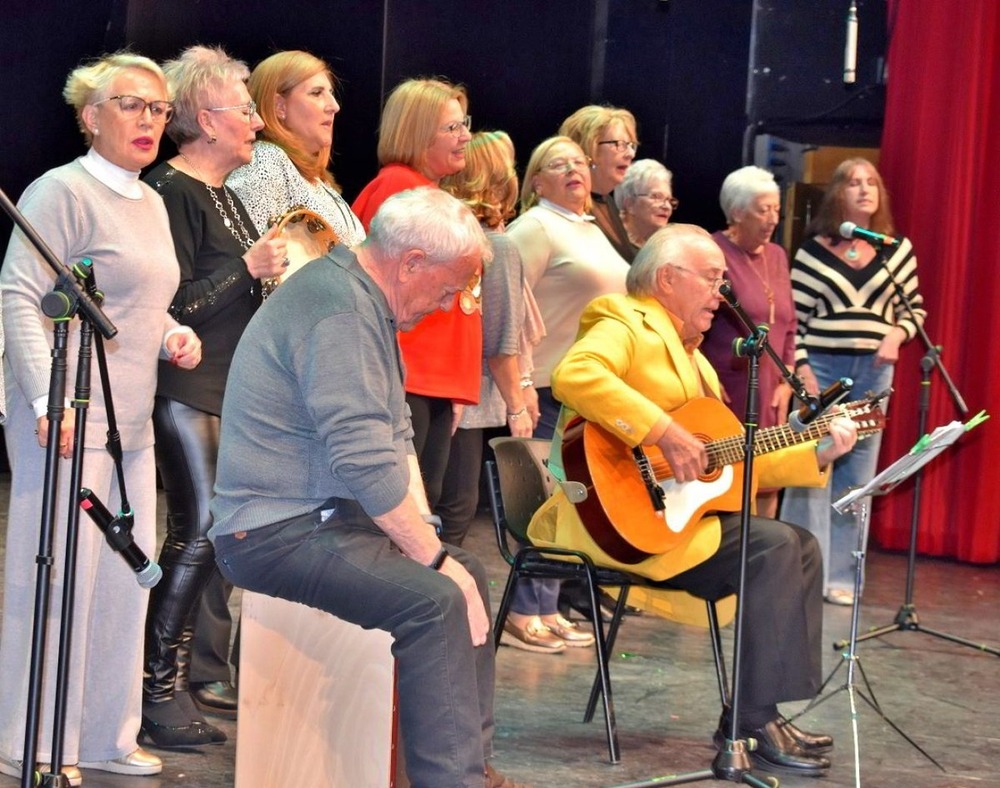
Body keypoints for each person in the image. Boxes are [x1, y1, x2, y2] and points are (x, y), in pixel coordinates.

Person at [209, 187, 525, 788]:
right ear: (410, 263)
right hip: (273, 531)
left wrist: (430, 547)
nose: (450, 302)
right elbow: (361, 456)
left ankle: (472, 768)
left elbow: (396, 440)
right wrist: (428, 559)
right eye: (447, 287)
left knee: (466, 576)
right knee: (433, 602)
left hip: (324, 520)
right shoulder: (338, 308)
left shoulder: (363, 303)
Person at [528, 224, 859, 776]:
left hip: (673, 522)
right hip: (608, 521)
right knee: (773, 544)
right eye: (711, 279)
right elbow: (575, 375)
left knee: (798, 544)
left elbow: (730, 458)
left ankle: (761, 711)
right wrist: (660, 430)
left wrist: (817, 452)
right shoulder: (621, 319)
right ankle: (751, 720)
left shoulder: (698, 359)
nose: (722, 294)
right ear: (666, 278)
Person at [0, 52, 203, 783]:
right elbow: (19, 294)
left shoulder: (149, 201)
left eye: (157, 109)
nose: (149, 120)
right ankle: (33, 738)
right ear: (89, 116)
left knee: (123, 579)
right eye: (130, 105)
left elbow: (134, 298)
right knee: (59, 581)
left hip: (132, 424)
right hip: (68, 419)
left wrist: (171, 329)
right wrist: (46, 400)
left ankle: (104, 737)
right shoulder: (61, 190)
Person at [140, 45, 288, 746]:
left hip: (229, 390)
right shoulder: (174, 192)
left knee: (212, 537)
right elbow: (167, 308)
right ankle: (156, 691)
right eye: (247, 108)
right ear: (206, 118)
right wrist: (248, 272)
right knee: (196, 533)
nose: (257, 122)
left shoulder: (227, 196)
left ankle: (173, 689)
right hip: (187, 388)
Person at [502, 136, 629, 653]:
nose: (574, 170)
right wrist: (522, 380)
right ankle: (519, 611)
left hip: (587, 389)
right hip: (549, 383)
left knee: (569, 501)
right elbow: (509, 302)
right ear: (536, 181)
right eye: (559, 164)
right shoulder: (535, 226)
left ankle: (547, 605)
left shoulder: (590, 226)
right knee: (544, 499)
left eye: (580, 162)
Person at [780, 158, 924, 606]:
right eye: (853, 183)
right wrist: (802, 370)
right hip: (821, 368)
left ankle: (843, 575)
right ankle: (807, 568)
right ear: (837, 194)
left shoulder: (895, 249)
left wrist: (897, 336)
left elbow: (914, 310)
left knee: (858, 473)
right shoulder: (813, 251)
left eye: (871, 183)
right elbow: (792, 323)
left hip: (874, 370)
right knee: (813, 465)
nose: (864, 190)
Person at [352, 78, 481, 517]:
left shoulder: (423, 192)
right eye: (452, 127)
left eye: (465, 124)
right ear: (416, 131)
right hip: (409, 378)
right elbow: (376, 297)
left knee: (427, 506)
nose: (465, 136)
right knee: (406, 513)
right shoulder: (397, 193)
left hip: (430, 382)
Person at [439, 130, 542, 546]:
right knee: (456, 510)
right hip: (469, 398)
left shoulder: (453, 237)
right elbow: (501, 340)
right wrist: (518, 405)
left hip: (449, 393)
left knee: (444, 508)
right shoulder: (497, 246)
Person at [702, 165, 796, 518]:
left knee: (769, 479)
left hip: (771, 390)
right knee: (730, 485)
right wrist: (702, 380)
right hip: (727, 389)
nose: (773, 218)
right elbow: (691, 325)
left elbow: (788, 323)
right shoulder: (713, 252)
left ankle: (761, 565)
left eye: (776, 208)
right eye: (763, 209)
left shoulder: (777, 255)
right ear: (737, 212)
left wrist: (787, 378)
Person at [227, 50, 365, 246]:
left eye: (331, 93)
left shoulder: (314, 178)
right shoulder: (265, 162)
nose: (334, 106)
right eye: (317, 93)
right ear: (279, 106)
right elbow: (250, 257)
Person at [558, 104, 639, 262]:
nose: (630, 154)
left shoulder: (607, 201)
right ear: (588, 148)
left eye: (631, 146)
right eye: (619, 144)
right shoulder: (566, 208)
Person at [614, 159, 678, 254]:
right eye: (656, 197)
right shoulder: (608, 242)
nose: (667, 206)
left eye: (669, 200)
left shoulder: (667, 250)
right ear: (630, 204)